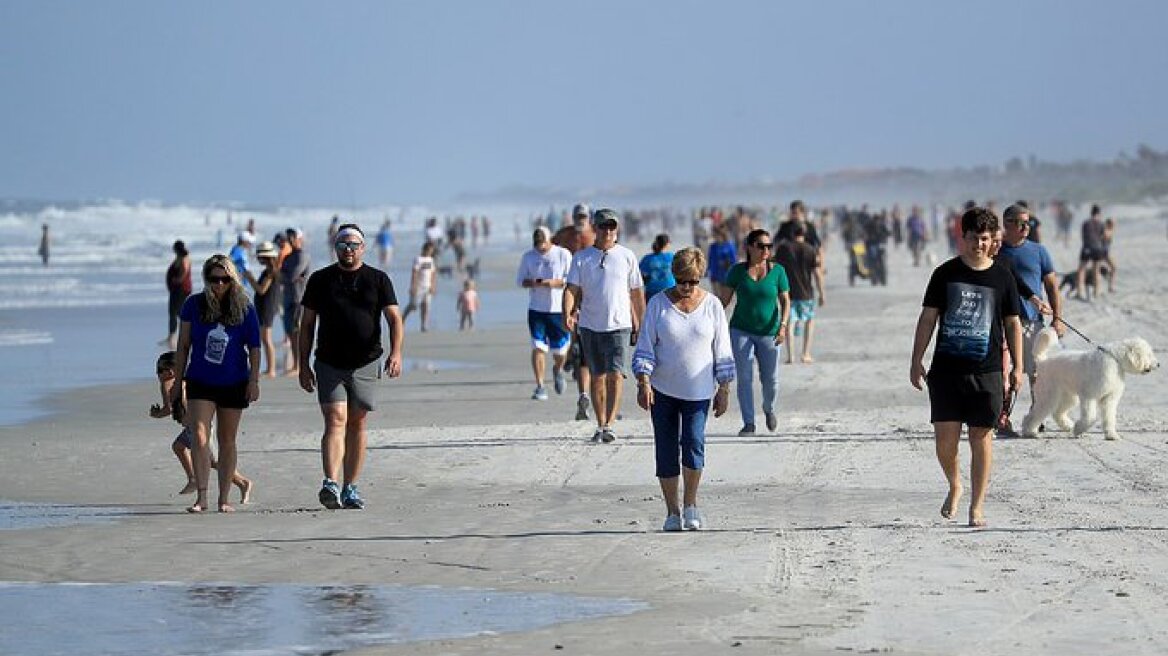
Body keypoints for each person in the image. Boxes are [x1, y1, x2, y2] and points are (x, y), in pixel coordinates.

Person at [910, 207, 1024, 528]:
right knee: (945, 442)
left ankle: (977, 506)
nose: (978, 244)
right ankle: (955, 483)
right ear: (963, 238)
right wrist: (916, 358)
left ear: (992, 242)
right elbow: (928, 318)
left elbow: (1013, 323)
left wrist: (1017, 367)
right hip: (946, 370)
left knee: (981, 437)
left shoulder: (1002, 276)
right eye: (972, 238)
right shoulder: (945, 274)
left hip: (986, 371)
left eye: (984, 239)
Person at [299, 223, 403, 510]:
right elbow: (306, 325)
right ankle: (330, 482)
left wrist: (396, 353)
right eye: (343, 244)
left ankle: (350, 487)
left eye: (353, 244)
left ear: (363, 248)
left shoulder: (378, 279)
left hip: (367, 363)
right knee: (335, 419)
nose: (348, 249)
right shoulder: (320, 280)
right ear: (335, 248)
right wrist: (303, 365)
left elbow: (394, 319)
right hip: (329, 362)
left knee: (357, 422)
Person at [632, 248, 734, 532]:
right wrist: (643, 382)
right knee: (665, 451)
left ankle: (691, 505)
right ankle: (672, 511)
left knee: (693, 445)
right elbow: (645, 346)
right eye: (681, 281)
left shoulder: (712, 305)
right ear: (673, 276)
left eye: (693, 281)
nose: (687, 287)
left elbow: (722, 349)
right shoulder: (657, 305)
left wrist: (724, 388)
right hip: (662, 390)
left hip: (699, 392)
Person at [171, 255, 261, 513]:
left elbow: (254, 347)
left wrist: (254, 380)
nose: (219, 284)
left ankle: (224, 498)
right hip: (200, 379)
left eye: (225, 279)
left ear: (233, 280)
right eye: (213, 279)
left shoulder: (245, 307)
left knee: (227, 439)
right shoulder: (194, 305)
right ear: (206, 279)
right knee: (199, 435)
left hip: (234, 381)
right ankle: (201, 496)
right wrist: (178, 382)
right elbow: (183, 345)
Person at [563, 208, 646, 443]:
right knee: (597, 376)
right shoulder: (582, 257)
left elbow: (637, 293)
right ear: (595, 228)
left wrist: (642, 322)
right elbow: (572, 289)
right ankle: (600, 424)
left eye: (612, 226)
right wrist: (567, 312)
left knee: (616, 375)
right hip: (590, 326)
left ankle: (609, 424)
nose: (608, 231)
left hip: (620, 325)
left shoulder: (627, 256)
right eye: (603, 226)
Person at [151, 351, 252, 502]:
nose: (158, 375)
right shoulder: (185, 381)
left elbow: (169, 408)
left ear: (170, 371)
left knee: (214, 462)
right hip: (194, 427)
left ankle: (242, 483)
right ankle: (192, 477)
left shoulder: (167, 384)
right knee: (178, 446)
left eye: (159, 370)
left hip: (197, 428)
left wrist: (156, 414)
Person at [717, 229, 790, 436]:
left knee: (771, 379)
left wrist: (783, 326)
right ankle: (748, 422)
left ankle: (769, 408)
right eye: (761, 246)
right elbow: (723, 301)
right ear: (749, 247)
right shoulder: (737, 271)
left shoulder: (778, 271)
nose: (766, 250)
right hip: (741, 330)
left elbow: (785, 300)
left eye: (769, 246)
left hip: (770, 332)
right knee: (745, 377)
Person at [996, 204, 1064, 407]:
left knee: (1037, 372)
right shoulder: (996, 250)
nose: (1026, 227)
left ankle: (1037, 415)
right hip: (1000, 321)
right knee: (1003, 371)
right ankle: (1002, 416)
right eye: (1021, 223)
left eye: (1029, 223)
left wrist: (1057, 319)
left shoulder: (1039, 251)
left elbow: (1052, 287)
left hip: (1032, 321)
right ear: (1007, 224)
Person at [517, 226, 573, 400]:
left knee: (560, 351)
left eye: (543, 243)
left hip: (558, 309)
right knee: (538, 347)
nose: (540, 248)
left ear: (550, 240)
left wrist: (554, 283)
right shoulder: (528, 257)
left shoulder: (563, 255)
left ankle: (557, 369)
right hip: (536, 310)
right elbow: (520, 281)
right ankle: (540, 386)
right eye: (537, 244)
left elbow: (572, 280)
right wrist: (533, 282)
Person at [553, 203, 597, 420]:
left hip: (592, 294)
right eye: (577, 216)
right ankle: (584, 394)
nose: (580, 219)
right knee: (577, 338)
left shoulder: (595, 234)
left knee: (589, 344)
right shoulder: (564, 234)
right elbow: (549, 248)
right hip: (570, 290)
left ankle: (595, 396)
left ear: (589, 217)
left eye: (584, 216)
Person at [774, 222, 823, 364]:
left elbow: (775, 267)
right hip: (807, 292)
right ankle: (805, 353)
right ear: (804, 234)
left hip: (788, 292)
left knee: (789, 323)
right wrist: (822, 293)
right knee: (809, 321)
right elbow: (817, 274)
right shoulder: (810, 249)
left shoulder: (784, 249)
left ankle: (791, 356)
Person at [245, 241, 281, 377]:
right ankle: (269, 368)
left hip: (267, 306)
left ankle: (271, 369)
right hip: (265, 306)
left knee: (266, 338)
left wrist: (250, 278)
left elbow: (261, 290)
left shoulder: (270, 272)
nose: (258, 259)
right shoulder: (270, 271)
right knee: (265, 338)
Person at [279, 228, 311, 376]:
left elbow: (291, 275)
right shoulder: (288, 256)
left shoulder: (302, 256)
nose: (291, 240)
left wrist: (285, 276)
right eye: (289, 237)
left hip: (299, 298)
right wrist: (285, 276)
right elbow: (281, 276)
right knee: (290, 333)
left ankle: (299, 365)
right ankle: (295, 364)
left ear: (300, 239)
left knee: (298, 333)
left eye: (293, 237)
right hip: (288, 297)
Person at [163, 240, 192, 349]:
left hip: (180, 290)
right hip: (177, 289)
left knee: (177, 312)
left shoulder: (184, 258)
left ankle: (177, 336)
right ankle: (172, 336)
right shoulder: (180, 257)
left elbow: (184, 271)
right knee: (174, 312)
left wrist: (178, 280)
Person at [402, 241, 437, 331]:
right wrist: (413, 286)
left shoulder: (431, 260)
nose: (430, 252)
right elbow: (414, 273)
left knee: (425, 305)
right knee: (413, 306)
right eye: (429, 250)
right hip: (418, 286)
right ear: (424, 249)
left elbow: (433, 274)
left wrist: (433, 286)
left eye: (432, 250)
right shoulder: (418, 259)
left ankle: (423, 325)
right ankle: (402, 319)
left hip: (427, 286)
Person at [1074, 204, 1107, 300]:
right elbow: (1104, 237)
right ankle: (1096, 292)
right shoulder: (1101, 224)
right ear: (1099, 213)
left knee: (1082, 270)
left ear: (1091, 212)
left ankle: (1080, 292)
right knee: (1096, 271)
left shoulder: (1086, 223)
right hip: (1098, 248)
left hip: (1087, 248)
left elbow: (1083, 236)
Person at [639, 234, 675, 301]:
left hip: (652, 291)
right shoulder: (672, 257)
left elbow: (640, 274)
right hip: (670, 290)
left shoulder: (647, 258)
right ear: (667, 244)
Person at [706, 226, 737, 299]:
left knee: (724, 297)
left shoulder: (729, 246)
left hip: (725, 274)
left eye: (716, 235)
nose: (715, 237)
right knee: (716, 297)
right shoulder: (713, 246)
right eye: (714, 235)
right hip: (714, 273)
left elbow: (734, 261)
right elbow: (710, 259)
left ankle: (723, 309)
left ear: (722, 235)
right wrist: (707, 270)